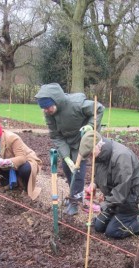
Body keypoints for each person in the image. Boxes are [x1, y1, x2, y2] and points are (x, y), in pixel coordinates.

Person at [35, 82, 104, 215]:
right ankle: (74, 194)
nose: (46, 110)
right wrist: (66, 157)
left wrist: (90, 126)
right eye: (43, 108)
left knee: (77, 171)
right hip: (67, 141)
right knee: (67, 168)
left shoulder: (76, 104)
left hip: (83, 139)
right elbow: (55, 136)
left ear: (56, 100)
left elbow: (99, 108)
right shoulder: (49, 113)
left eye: (48, 107)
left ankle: (74, 201)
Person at [77, 131, 139, 239]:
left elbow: (121, 191)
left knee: (112, 232)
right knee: (98, 226)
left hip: (133, 199)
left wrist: (102, 205)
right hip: (115, 199)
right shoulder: (100, 155)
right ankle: (117, 217)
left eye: (91, 154)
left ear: (97, 146)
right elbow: (100, 174)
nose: (91, 158)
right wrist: (94, 184)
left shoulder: (121, 157)